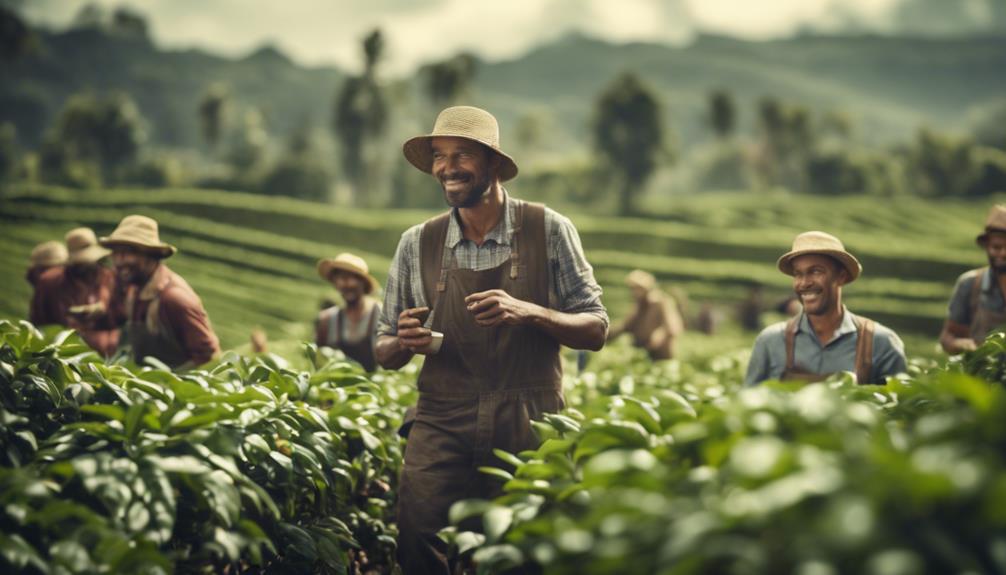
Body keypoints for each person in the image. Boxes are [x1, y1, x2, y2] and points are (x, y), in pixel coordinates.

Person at [374, 105, 608, 573]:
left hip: (528, 417)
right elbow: (384, 348)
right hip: (442, 417)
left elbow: (596, 327)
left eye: (461, 154)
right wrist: (404, 341)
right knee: (418, 539)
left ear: (494, 164)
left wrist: (530, 311)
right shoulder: (416, 243)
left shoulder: (549, 230)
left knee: (520, 550)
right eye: (440, 156)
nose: (447, 167)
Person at [745, 231, 906, 386]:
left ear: (841, 276)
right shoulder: (770, 341)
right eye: (798, 274)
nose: (804, 283)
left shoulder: (881, 343)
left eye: (815, 271)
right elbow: (747, 407)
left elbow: (899, 410)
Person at [95, 214, 220, 369]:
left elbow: (210, 359)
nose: (119, 261)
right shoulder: (134, 289)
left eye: (128, 252)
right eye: (116, 253)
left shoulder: (174, 299)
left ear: (152, 255)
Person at [29, 228, 119, 356]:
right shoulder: (50, 282)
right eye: (80, 263)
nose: (85, 266)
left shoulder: (109, 278)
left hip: (106, 355)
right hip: (61, 356)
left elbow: (120, 316)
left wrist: (102, 311)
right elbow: (38, 321)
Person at [940, 204, 1006, 353]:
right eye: (996, 247)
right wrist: (962, 345)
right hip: (979, 374)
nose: (1003, 254)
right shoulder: (970, 284)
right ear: (987, 247)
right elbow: (947, 336)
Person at [315, 252, 381, 372]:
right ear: (335, 283)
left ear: (363, 283)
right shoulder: (327, 320)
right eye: (341, 278)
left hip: (374, 385)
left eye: (352, 278)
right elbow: (320, 363)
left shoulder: (379, 314)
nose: (347, 284)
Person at [607, 269, 683, 361]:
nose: (634, 292)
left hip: (660, 356)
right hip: (642, 352)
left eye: (637, 289)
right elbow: (626, 326)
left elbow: (673, 327)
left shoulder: (662, 302)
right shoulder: (639, 305)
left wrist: (660, 335)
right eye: (632, 289)